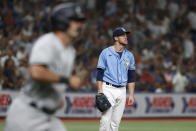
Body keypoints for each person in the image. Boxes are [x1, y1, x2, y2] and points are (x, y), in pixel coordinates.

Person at [5, 2, 85, 131]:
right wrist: (67, 80)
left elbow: (52, 79)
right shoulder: (48, 42)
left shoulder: (70, 51)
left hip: (48, 117)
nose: (80, 25)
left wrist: (56, 98)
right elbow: (36, 72)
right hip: (27, 115)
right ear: (62, 21)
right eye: (75, 21)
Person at [96, 27, 136, 131]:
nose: (126, 37)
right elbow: (99, 73)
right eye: (123, 35)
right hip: (108, 88)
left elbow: (131, 76)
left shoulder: (129, 55)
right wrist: (100, 91)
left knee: (115, 123)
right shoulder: (105, 52)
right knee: (105, 120)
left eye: (126, 35)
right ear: (116, 38)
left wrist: (131, 94)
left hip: (122, 90)